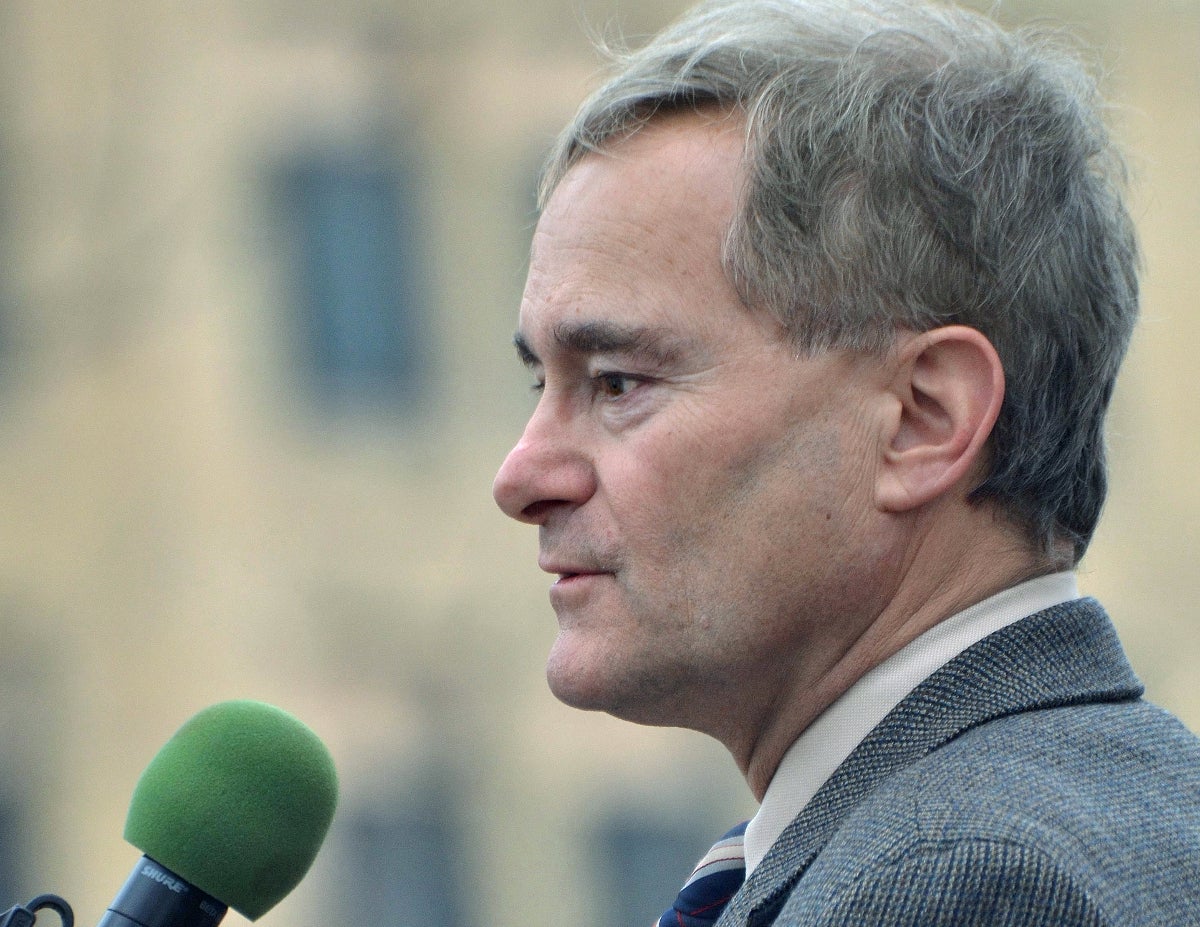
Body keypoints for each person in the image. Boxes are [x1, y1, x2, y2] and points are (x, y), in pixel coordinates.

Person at [492, 0, 1200, 923]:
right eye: (539, 382)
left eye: (618, 382)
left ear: (922, 418)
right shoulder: (1107, 812)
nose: (522, 477)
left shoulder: (959, 879)